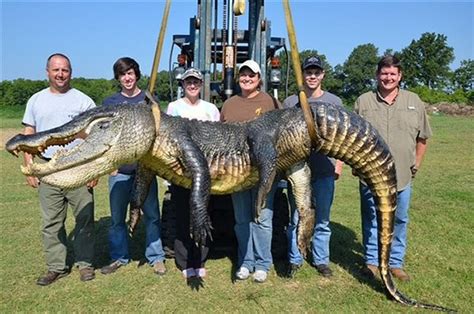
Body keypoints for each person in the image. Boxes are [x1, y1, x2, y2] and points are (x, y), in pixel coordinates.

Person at [354, 55, 432, 282]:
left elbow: (423, 138)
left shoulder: (414, 101)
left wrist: (416, 164)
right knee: (371, 218)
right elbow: (352, 138)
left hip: (402, 176)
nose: (388, 78)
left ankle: (395, 263)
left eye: (392, 74)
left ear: (400, 76)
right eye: (384, 73)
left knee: (399, 219)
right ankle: (371, 262)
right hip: (371, 175)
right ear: (377, 75)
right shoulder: (363, 101)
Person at [22, 53, 97, 286]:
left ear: (71, 72)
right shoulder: (36, 100)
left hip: (77, 167)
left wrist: (93, 170)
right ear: (47, 72)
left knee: (84, 219)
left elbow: (96, 137)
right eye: (56, 70)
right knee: (51, 222)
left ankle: (85, 264)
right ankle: (56, 267)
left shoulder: (84, 101)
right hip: (47, 168)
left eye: (64, 70)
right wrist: (30, 165)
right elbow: (29, 134)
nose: (60, 74)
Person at [100, 57, 167, 276]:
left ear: (136, 74)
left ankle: (156, 257)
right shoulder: (110, 103)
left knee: (151, 215)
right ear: (118, 78)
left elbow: (159, 134)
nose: (127, 78)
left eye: (130, 73)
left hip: (145, 170)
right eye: (122, 74)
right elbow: (103, 135)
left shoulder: (149, 100)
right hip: (120, 171)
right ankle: (119, 257)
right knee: (118, 218)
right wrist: (111, 165)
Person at [283, 55, 344, 279]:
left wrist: (338, 165)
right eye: (308, 72)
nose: (312, 76)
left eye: (316, 72)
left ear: (322, 75)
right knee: (296, 217)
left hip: (324, 168)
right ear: (303, 75)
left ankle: (320, 260)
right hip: (297, 170)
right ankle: (295, 258)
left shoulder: (334, 102)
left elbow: (341, 137)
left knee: (322, 218)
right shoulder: (291, 102)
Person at [220, 60, 280, 283]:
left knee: (262, 218)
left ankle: (263, 263)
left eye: (251, 75)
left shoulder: (271, 102)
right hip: (237, 172)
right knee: (242, 219)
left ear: (259, 79)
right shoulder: (229, 104)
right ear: (238, 78)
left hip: (264, 171)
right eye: (243, 75)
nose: (247, 79)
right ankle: (246, 262)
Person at [166, 67, 220, 279]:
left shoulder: (211, 109)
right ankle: (184, 261)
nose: (192, 85)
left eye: (195, 82)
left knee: (203, 216)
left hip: (205, 173)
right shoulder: (173, 108)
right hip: (181, 172)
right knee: (182, 216)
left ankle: (200, 259)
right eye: (188, 81)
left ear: (200, 84)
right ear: (182, 84)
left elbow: (218, 140)